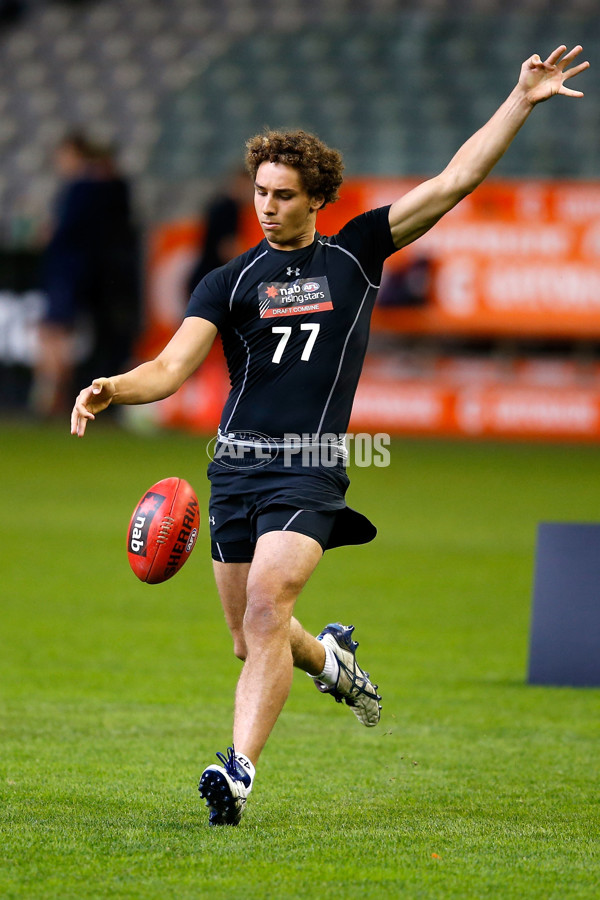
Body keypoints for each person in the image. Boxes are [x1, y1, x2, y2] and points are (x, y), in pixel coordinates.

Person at [71, 45, 588, 826]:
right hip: (235, 472)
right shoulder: (229, 281)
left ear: (317, 199)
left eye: (283, 194)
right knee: (255, 641)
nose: (268, 205)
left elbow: (455, 181)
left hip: (309, 470)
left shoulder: (356, 254)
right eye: (260, 192)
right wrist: (114, 386)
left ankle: (237, 772)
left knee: (268, 607)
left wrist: (519, 99)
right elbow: (172, 368)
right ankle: (334, 662)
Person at [32, 131, 139, 417]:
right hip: (91, 274)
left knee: (55, 334)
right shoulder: (108, 189)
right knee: (61, 335)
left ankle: (53, 397)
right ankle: (57, 394)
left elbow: (66, 232)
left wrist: (50, 235)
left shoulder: (82, 188)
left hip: (68, 273)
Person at [186, 166, 253, 294]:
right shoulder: (229, 208)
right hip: (212, 281)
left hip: (206, 278)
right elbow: (227, 250)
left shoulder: (221, 204)